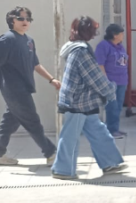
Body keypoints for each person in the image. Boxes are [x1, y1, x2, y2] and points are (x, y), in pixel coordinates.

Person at [0, 7, 59, 166]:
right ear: (12, 20)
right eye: (21, 18)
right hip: (13, 89)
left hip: (24, 87)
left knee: (10, 121)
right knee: (32, 120)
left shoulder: (29, 41)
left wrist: (52, 79)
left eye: (28, 19)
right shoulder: (7, 39)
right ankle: (51, 153)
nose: (25, 22)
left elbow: (36, 64)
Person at [52, 17, 127, 180]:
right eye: (93, 29)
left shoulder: (76, 48)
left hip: (83, 100)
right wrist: (110, 90)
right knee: (70, 136)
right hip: (77, 101)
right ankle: (62, 170)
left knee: (99, 131)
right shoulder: (81, 51)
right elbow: (94, 76)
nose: (95, 33)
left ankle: (110, 162)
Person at [95, 23, 129, 138]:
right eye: (121, 33)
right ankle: (111, 130)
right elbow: (100, 64)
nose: (123, 35)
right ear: (115, 35)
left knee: (118, 106)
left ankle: (115, 128)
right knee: (112, 106)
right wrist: (105, 81)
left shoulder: (120, 46)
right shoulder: (103, 46)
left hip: (122, 80)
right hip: (110, 81)